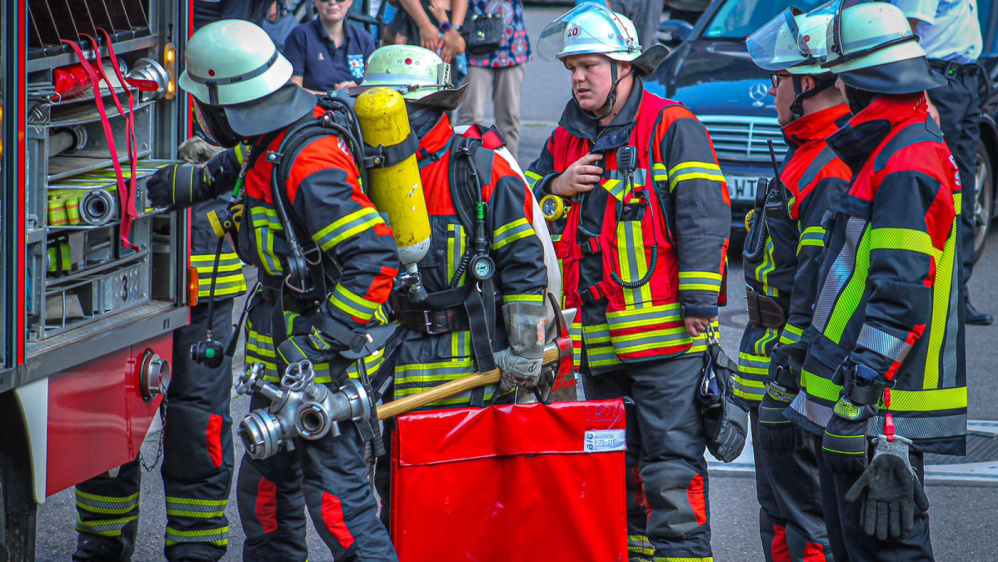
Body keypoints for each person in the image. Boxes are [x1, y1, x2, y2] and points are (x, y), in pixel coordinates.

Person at [145, 19, 400, 561]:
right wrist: (167, 187)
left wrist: (321, 342)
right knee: (265, 495)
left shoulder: (308, 161)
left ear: (226, 104)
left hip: (320, 367)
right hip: (281, 360)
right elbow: (227, 169)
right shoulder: (267, 139)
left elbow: (374, 259)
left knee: (339, 507)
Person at [526, 5, 730, 560]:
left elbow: (703, 214)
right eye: (571, 68)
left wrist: (700, 301)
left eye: (589, 66)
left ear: (625, 68)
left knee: (671, 468)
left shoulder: (671, 125)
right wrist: (555, 186)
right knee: (616, 467)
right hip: (598, 343)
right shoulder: (567, 138)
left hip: (667, 341)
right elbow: (522, 207)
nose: (578, 78)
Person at [788, 1, 966, 560]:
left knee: (886, 551)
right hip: (859, 399)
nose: (838, 88)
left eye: (841, 76)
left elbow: (900, 294)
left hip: (875, 408)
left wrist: (863, 394)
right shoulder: (890, 147)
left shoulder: (907, 158)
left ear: (862, 80)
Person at [740, 7, 853, 561]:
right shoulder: (807, 154)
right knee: (781, 514)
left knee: (806, 519)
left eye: (779, 78)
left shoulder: (827, 166)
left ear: (807, 85)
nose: (773, 90)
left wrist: (789, 377)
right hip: (775, 365)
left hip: (796, 377)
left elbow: (816, 290)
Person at [891, 0, 991, 326]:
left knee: (963, 190)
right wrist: (925, 97)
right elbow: (905, 34)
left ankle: (957, 293)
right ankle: (930, 294)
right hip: (938, 83)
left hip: (966, 82)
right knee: (937, 192)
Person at [456, 0, 531, 160]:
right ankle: (465, 170)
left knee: (509, 119)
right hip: (475, 40)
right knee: (470, 119)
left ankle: (508, 172)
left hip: (512, 44)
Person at [284, 0, 377, 94]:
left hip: (358, 102)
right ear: (315, 2)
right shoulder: (299, 36)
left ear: (350, 1)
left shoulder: (364, 39)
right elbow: (293, 89)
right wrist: (333, 96)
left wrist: (353, 92)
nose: (332, 2)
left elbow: (376, 88)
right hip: (315, 103)